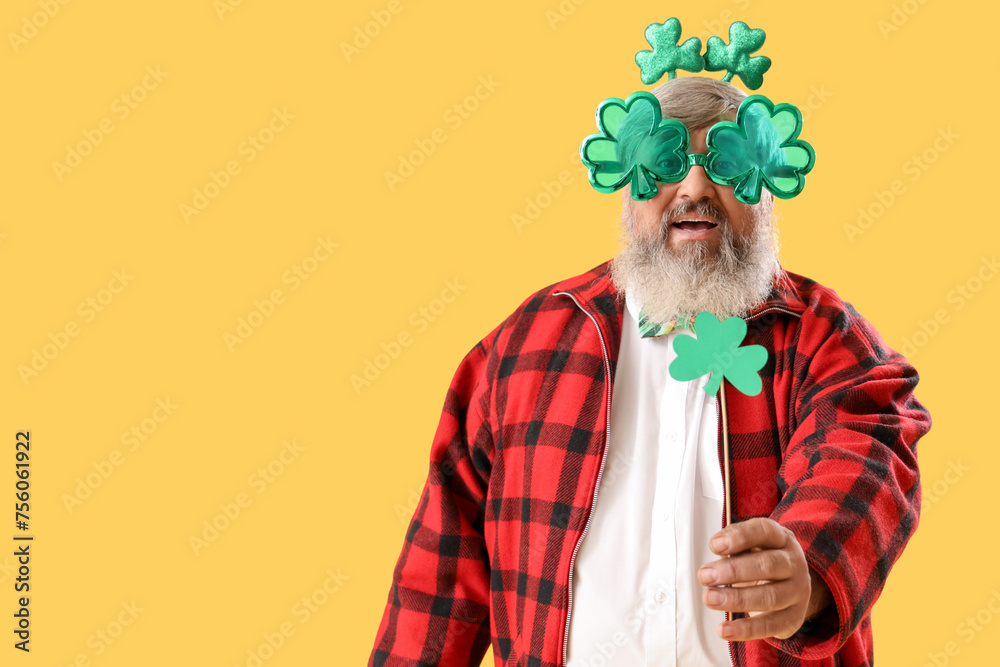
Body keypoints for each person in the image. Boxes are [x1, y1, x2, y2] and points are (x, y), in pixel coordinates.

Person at [368, 36, 931, 667]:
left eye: (728, 162)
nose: (695, 185)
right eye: (663, 162)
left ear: (768, 187)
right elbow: (439, 580)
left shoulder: (823, 336)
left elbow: (867, 446)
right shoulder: (524, 346)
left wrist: (808, 561)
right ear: (625, 185)